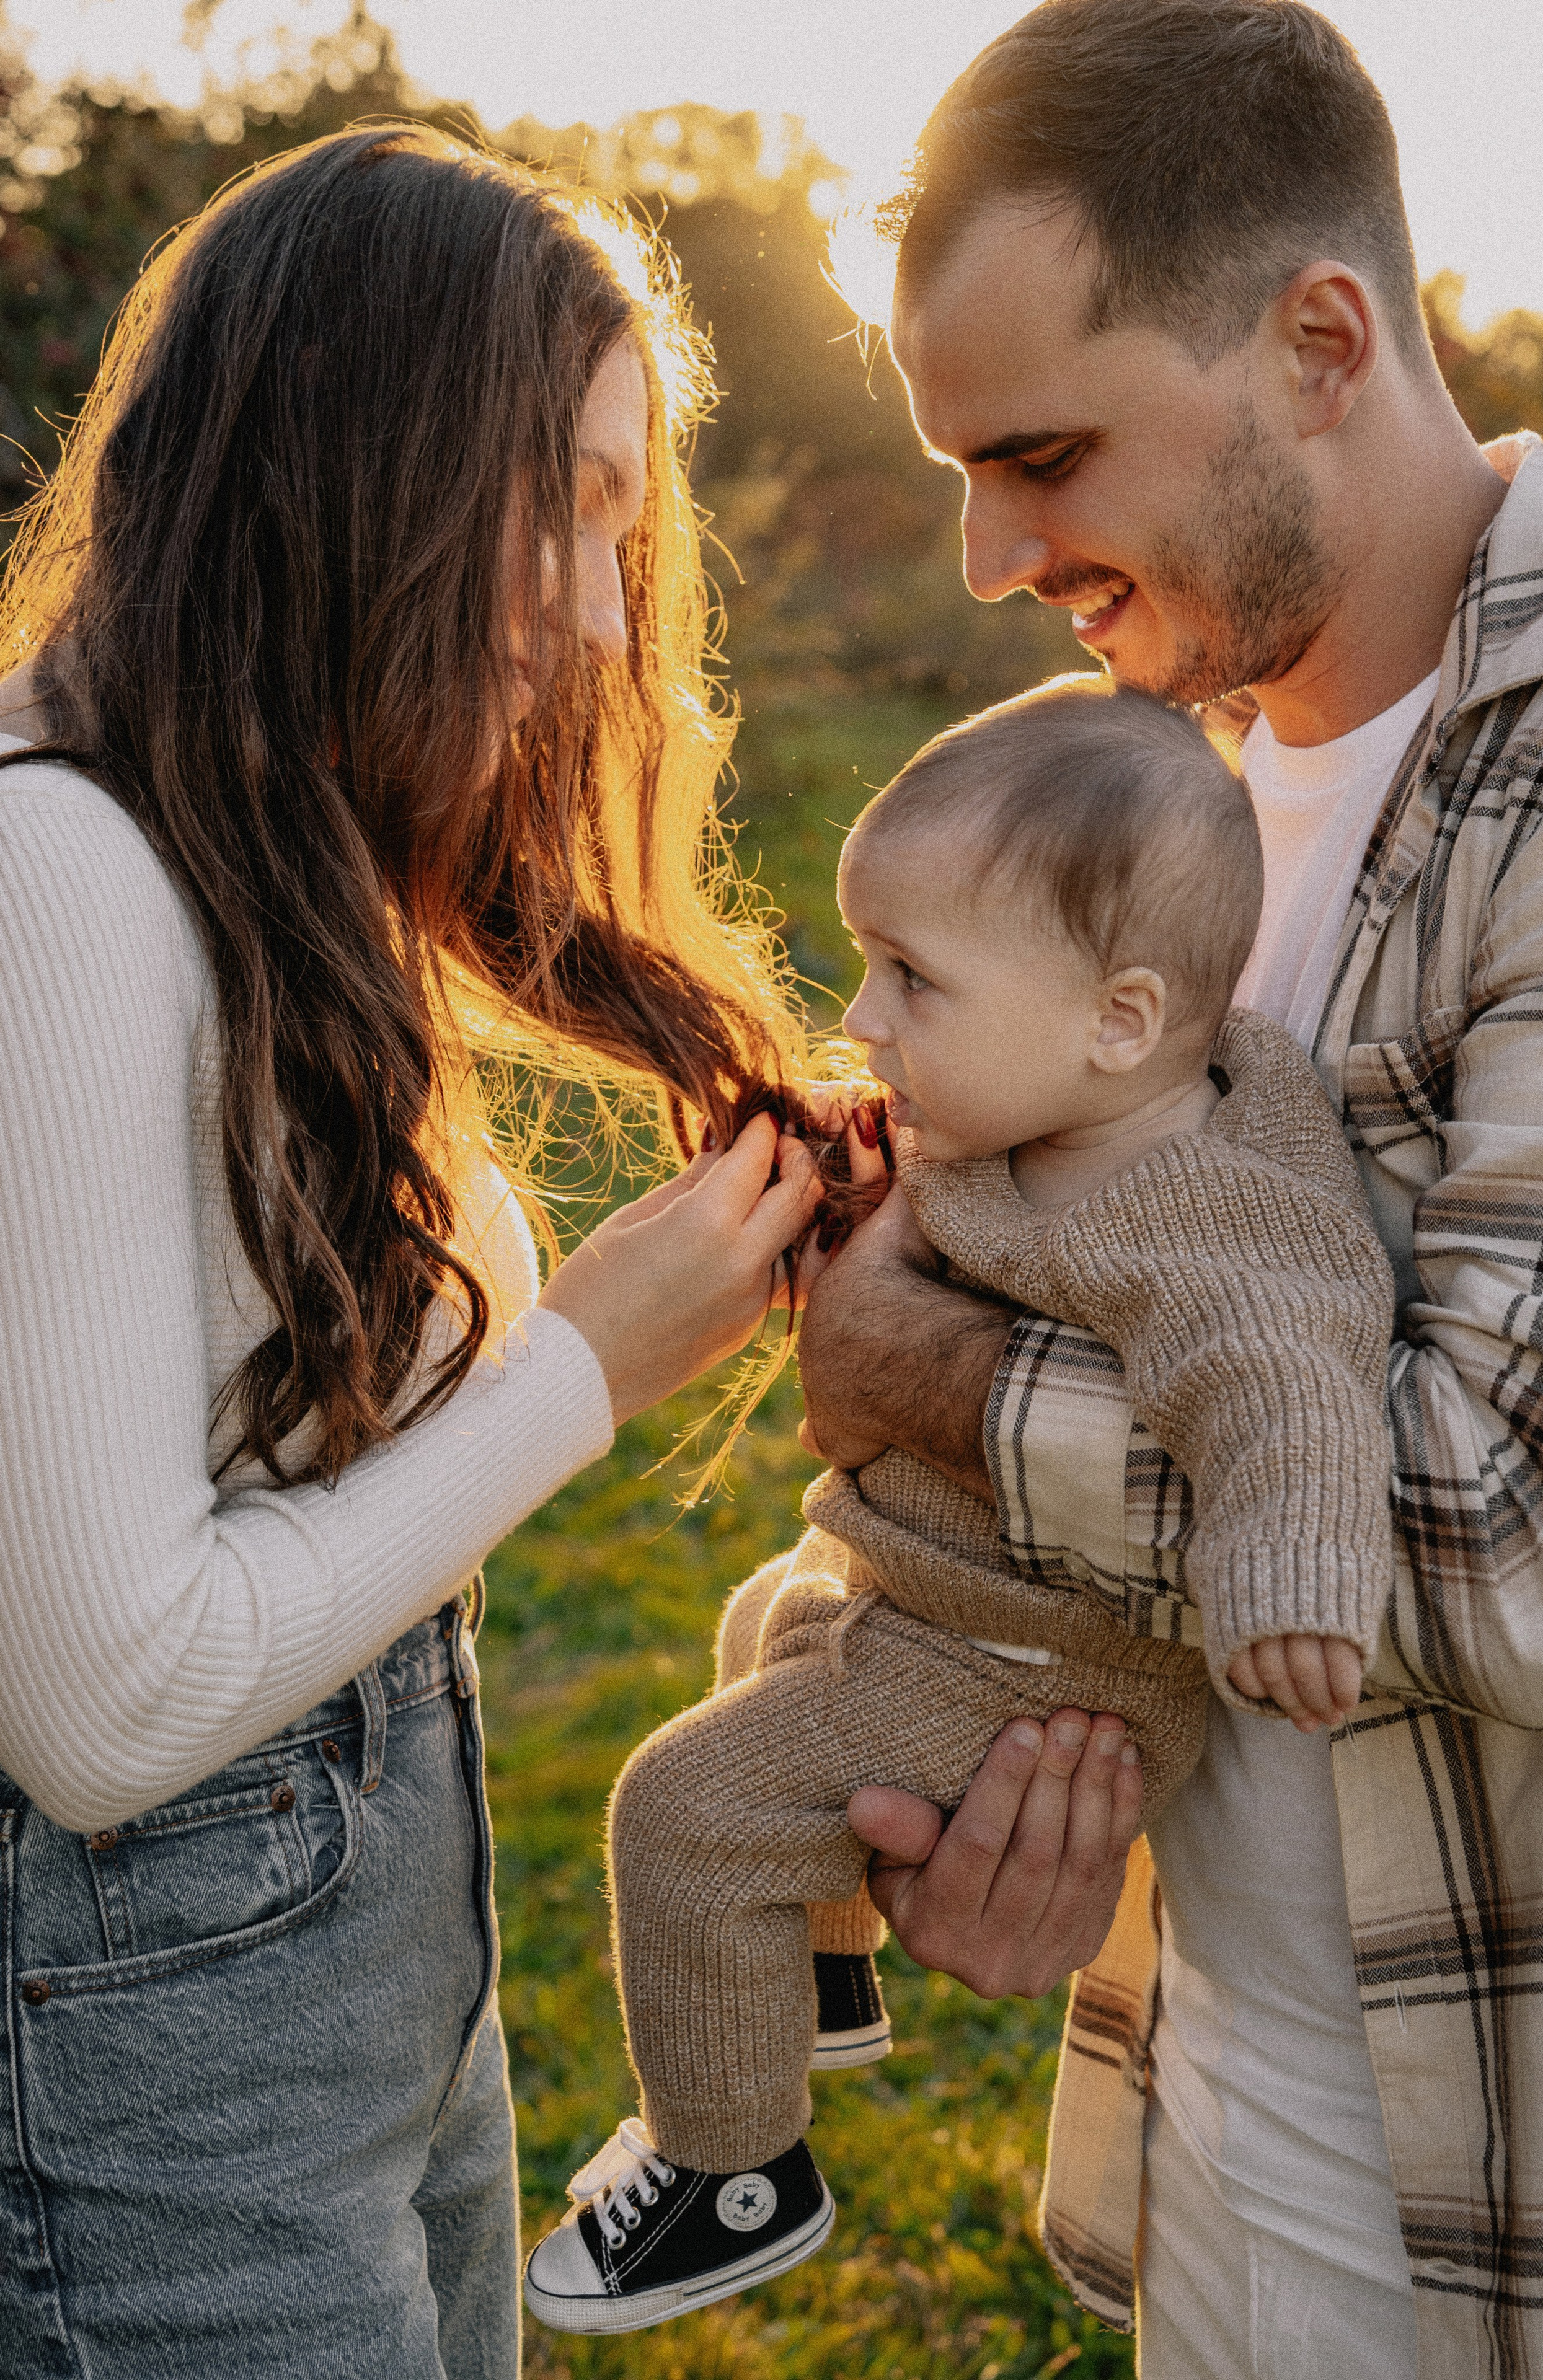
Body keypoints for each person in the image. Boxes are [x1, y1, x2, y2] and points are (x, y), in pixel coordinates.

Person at [0, 123, 846, 2379]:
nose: (596, 608)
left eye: (619, 523)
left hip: (385, 2016)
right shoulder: (57, 887)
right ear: (357, 459)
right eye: (562, 501)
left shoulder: (273, 856)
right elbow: (101, 1707)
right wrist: (583, 1366)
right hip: (153, 2102)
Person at [797, 2, 1543, 2372]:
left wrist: (926, 1371)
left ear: (1319, 340)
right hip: (1216, 2105)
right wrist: (947, 1755)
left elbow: (1527, 1542)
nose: (989, 553)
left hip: (1496, 2177)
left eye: (1043, 452)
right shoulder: (1166, 785)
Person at [523, 674, 1401, 2337]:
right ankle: (823, 1961)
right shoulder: (1049, 1108)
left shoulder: (1203, 1213)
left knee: (678, 1808)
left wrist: (1293, 1578)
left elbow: (1287, 1380)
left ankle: (732, 2170)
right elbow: (940, 1175)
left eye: (913, 977)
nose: (863, 1014)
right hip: (949, 1606)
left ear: (1122, 1017)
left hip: (1033, 1674)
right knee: (762, 1619)